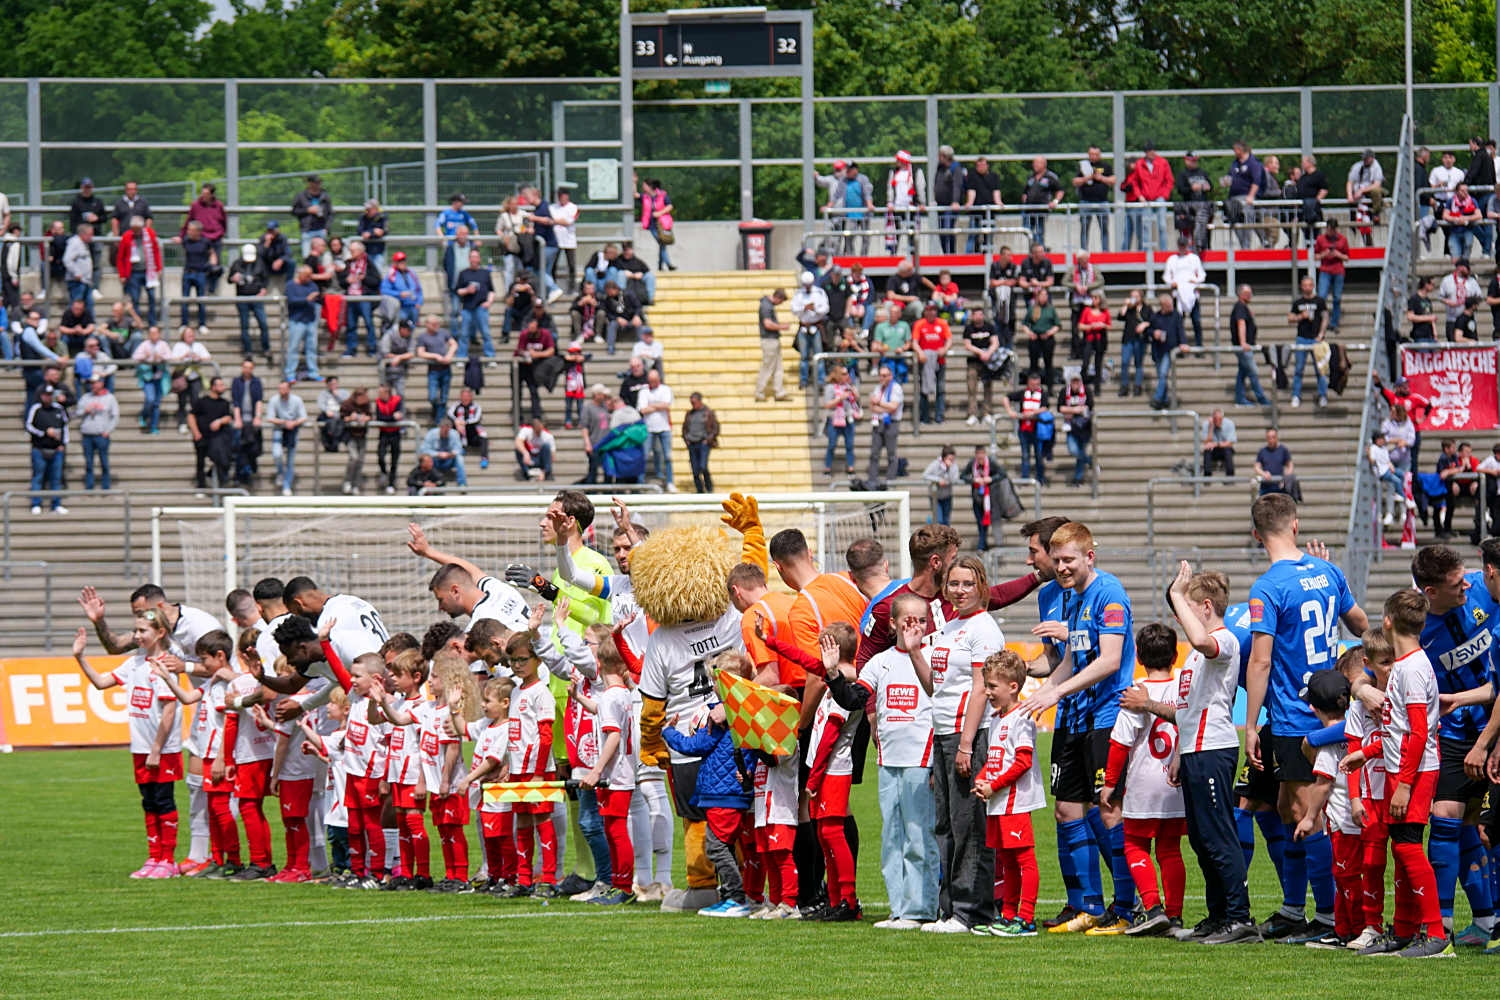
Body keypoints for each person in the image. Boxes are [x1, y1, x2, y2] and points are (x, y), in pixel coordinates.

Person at [1240, 493, 1368, 941]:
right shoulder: (1328, 572)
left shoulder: (1268, 588)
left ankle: (1330, 917)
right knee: (1283, 807)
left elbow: (1260, 661)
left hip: (1296, 716)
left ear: (1257, 535)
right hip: (1327, 705)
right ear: (1295, 526)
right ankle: (1295, 909)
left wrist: (1250, 726)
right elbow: (1361, 624)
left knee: (1303, 812)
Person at [1021, 521, 1138, 933]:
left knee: (1108, 808)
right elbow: (1070, 660)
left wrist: (1056, 691)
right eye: (1057, 561)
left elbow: (1109, 660)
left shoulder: (1109, 593)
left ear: (1090, 555)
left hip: (1106, 717)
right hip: (1074, 716)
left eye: (1068, 560)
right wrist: (1041, 693)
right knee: (1066, 809)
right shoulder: (1071, 597)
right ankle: (1086, 904)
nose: (1062, 568)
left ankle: (1128, 907)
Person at [1129, 564, 1254, 941]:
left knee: (1219, 836)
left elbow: (1202, 642)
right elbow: (1187, 711)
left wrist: (1176, 594)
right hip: (1196, 750)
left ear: (1206, 606)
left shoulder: (1223, 641)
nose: (1180, 616)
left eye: (1187, 607)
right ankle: (1218, 915)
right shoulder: (1196, 656)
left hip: (1214, 749)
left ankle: (1239, 917)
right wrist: (1179, 751)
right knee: (1201, 839)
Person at [1339, 591, 1452, 957]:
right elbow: (1397, 730)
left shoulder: (1412, 669)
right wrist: (1365, 753)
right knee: (1401, 849)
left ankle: (1436, 934)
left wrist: (1404, 785)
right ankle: (1403, 931)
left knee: (1407, 847)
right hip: (1399, 769)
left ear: (1387, 622)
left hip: (1413, 773)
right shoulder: (1405, 665)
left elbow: (1418, 733)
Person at [828, 592, 940, 930]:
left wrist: (936, 762)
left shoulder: (933, 656)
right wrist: (833, 673)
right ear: (892, 624)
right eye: (908, 621)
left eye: (922, 620)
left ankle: (922, 908)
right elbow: (854, 699)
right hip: (888, 760)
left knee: (919, 836)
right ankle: (899, 908)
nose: (916, 627)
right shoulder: (880, 662)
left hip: (921, 758)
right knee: (892, 836)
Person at [908, 556, 1005, 933]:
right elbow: (935, 687)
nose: (960, 591)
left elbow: (981, 689)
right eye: (954, 584)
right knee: (946, 825)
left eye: (968, 583)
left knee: (970, 826)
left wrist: (966, 745)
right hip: (944, 733)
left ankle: (971, 910)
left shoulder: (984, 629)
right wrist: (915, 651)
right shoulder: (950, 627)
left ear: (981, 586)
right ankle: (948, 908)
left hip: (970, 735)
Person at [71, 614, 183, 877]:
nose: (136, 636)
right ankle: (154, 858)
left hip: (162, 749)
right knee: (149, 802)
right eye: (135, 630)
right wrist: (79, 657)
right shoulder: (134, 663)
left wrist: (156, 749)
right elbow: (101, 683)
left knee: (163, 800)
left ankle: (168, 860)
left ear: (160, 633)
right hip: (140, 748)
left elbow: (169, 712)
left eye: (143, 630)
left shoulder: (165, 665)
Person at [1098, 623, 1187, 937]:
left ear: (1137, 656)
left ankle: (1153, 908)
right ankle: (1175, 915)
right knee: (1170, 849)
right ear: (1175, 656)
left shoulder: (1136, 692)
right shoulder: (1182, 686)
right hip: (1176, 784)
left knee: (1134, 844)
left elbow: (1120, 743)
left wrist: (1110, 783)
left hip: (1144, 783)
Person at [25, 383, 69, 515]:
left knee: (56, 478)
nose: (47, 398)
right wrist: (44, 433)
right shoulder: (36, 409)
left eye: (50, 395)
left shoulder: (59, 409)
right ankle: (36, 503)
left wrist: (63, 443)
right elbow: (29, 426)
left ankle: (56, 504)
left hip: (56, 449)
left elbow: (65, 426)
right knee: (38, 477)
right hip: (39, 448)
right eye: (45, 395)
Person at [1002, 370, 1049, 486]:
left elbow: (1045, 407)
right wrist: (1010, 411)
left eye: (1037, 384)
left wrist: (1033, 413)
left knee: (1039, 455)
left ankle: (1040, 477)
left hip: (1038, 429)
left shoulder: (1043, 393)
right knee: (1025, 455)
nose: (1035, 387)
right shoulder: (1023, 393)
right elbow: (1006, 398)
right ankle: (1025, 478)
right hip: (1024, 429)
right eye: (1033, 384)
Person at [188, 376, 235, 490]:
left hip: (217, 437)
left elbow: (228, 417)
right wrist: (196, 432)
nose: (223, 387)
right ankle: (201, 486)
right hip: (202, 436)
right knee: (200, 462)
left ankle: (214, 478)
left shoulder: (224, 403)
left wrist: (219, 421)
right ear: (213, 387)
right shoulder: (202, 401)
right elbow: (191, 416)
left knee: (222, 458)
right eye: (220, 385)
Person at [1229, 285, 1269, 407]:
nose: (1250, 295)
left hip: (1247, 345)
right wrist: (1243, 342)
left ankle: (1240, 399)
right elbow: (1241, 323)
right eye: (1247, 293)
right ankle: (1262, 399)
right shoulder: (1240, 307)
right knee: (1253, 371)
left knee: (1242, 372)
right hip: (1243, 347)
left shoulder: (1243, 307)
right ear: (1241, 294)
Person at [1163, 237, 1206, 347]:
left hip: (1192, 294)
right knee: (1179, 322)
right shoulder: (1172, 259)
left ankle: (1199, 345)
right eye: (1180, 246)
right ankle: (1179, 344)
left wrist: (1195, 281)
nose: (1182, 248)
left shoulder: (1194, 258)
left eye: (1184, 246)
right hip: (1178, 295)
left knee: (1196, 321)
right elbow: (1166, 276)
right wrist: (1171, 283)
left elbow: (1201, 275)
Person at [75, 376, 117, 490]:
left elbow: (115, 416)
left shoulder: (110, 398)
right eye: (91, 383)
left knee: (104, 462)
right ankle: (89, 486)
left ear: (101, 383)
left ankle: (105, 486)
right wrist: (85, 410)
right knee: (88, 463)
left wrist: (108, 431)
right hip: (87, 435)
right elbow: (76, 413)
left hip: (101, 435)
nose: (93, 385)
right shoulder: (85, 397)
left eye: (95, 383)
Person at [1147, 290, 1185, 411]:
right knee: (1161, 376)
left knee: (1163, 373)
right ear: (1162, 306)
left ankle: (1157, 398)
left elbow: (1180, 330)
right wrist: (1154, 333)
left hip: (1169, 350)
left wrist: (1183, 343)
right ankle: (1164, 400)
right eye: (1168, 306)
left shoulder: (1176, 315)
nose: (1171, 307)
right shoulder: (1155, 317)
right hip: (1158, 350)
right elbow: (1149, 330)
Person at [637, 369, 675, 491]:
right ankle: (641, 481)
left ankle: (670, 481)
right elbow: (642, 410)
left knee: (667, 456)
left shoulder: (665, 389)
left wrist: (651, 406)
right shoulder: (644, 391)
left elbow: (666, 405)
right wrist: (658, 406)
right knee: (644, 455)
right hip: (649, 428)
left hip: (664, 427)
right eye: (651, 381)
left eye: (654, 380)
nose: (652, 383)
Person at [415, 315, 457, 426]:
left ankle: (439, 422)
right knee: (432, 397)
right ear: (427, 325)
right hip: (433, 370)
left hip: (445, 369)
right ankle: (435, 411)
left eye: (437, 324)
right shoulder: (422, 337)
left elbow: (453, 344)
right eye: (434, 324)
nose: (436, 326)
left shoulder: (444, 333)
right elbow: (420, 352)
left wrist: (449, 355)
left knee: (443, 398)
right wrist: (435, 356)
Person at [267, 380, 306, 496]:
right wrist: (284, 422)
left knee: (290, 460)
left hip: (292, 430)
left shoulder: (297, 400)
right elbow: (270, 417)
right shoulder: (274, 400)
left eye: (284, 388)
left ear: (289, 389)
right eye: (280, 388)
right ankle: (280, 472)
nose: (282, 391)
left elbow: (303, 417)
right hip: (279, 429)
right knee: (277, 454)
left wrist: (294, 423)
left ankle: (287, 485)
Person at [283, 265, 321, 383]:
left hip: (311, 320)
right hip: (296, 321)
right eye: (307, 275)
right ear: (300, 274)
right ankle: (290, 373)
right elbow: (292, 300)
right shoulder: (290, 285)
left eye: (310, 275)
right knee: (293, 348)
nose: (310, 278)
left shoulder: (312, 285)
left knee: (312, 348)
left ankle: (313, 372)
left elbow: (316, 296)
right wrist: (306, 299)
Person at [867, 364, 903, 484]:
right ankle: (872, 480)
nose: (882, 378)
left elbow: (893, 407)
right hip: (878, 422)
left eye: (884, 375)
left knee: (891, 454)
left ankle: (890, 480)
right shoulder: (878, 388)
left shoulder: (896, 388)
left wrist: (879, 403)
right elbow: (872, 407)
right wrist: (883, 407)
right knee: (874, 453)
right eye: (880, 375)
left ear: (890, 376)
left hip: (891, 423)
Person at [514, 319, 556, 422]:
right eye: (529, 329)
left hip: (533, 367)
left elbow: (551, 351)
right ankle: (518, 416)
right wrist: (526, 354)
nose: (531, 332)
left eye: (533, 329)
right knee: (517, 392)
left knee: (534, 391)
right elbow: (519, 349)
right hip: (521, 366)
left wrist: (536, 354)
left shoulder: (545, 334)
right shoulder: (524, 334)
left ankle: (536, 416)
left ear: (538, 329)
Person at [1314, 218, 1351, 333]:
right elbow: (1315, 256)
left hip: (1338, 271)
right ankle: (1320, 321)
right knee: (1322, 296)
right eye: (1328, 230)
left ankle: (1334, 322)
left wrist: (1337, 254)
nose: (1330, 232)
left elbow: (1347, 257)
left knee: (1337, 298)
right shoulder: (1320, 239)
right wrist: (1324, 254)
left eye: (1332, 230)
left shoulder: (1342, 240)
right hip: (1325, 270)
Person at [1057, 373, 1093, 487]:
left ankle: (1078, 478)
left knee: (1080, 451)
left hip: (1085, 427)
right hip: (1071, 427)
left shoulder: (1087, 390)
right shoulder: (1064, 391)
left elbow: (1089, 407)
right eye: (1073, 381)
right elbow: (1060, 408)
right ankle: (1090, 460)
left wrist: (1070, 410)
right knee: (1073, 450)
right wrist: (1076, 410)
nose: (1075, 384)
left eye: (1077, 381)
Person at [1020, 288, 1059, 389]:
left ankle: (1050, 388)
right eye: (1042, 295)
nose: (1043, 297)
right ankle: (1033, 387)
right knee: (1033, 364)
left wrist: (1049, 333)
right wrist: (1030, 333)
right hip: (1035, 338)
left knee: (1048, 363)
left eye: (1045, 295)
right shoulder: (1033, 309)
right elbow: (1024, 324)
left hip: (1047, 338)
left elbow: (1057, 325)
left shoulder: (1051, 309)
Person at [338, 386, 373, 495]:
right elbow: (341, 418)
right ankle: (347, 481)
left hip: (362, 435)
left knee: (360, 461)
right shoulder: (347, 404)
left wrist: (366, 418)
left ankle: (356, 485)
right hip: (350, 435)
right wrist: (350, 418)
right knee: (354, 458)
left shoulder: (366, 404)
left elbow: (370, 416)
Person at [681, 392, 718, 494]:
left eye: (694, 402)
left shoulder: (708, 413)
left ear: (699, 401)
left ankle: (709, 488)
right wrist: (686, 439)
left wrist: (708, 439)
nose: (692, 405)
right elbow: (684, 428)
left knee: (703, 466)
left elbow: (715, 428)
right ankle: (700, 490)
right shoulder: (689, 414)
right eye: (691, 403)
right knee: (695, 469)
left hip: (703, 443)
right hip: (692, 444)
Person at [1117, 289, 1150, 398]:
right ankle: (1124, 386)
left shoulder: (1147, 308)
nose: (1134, 298)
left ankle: (1137, 385)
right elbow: (1120, 316)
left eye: (1136, 296)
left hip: (1140, 339)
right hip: (1128, 338)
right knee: (1125, 362)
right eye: (1132, 296)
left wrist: (1145, 324)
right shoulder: (1129, 308)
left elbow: (1153, 320)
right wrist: (1125, 305)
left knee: (1138, 363)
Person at [420, 418, 468, 487]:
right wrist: (437, 454)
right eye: (444, 430)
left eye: (448, 430)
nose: (446, 432)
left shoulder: (454, 433)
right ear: (440, 428)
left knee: (459, 458)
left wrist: (452, 454)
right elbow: (424, 449)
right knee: (426, 458)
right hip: (435, 460)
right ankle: (430, 481)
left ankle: (462, 483)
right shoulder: (431, 434)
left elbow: (459, 449)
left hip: (449, 460)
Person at [1253, 427, 1298, 499]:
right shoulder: (1262, 451)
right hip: (1265, 488)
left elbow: (1290, 465)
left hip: (1280, 488)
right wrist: (1263, 473)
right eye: (1269, 437)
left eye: (1273, 437)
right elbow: (1256, 467)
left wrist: (1286, 477)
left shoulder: (1283, 450)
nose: (1271, 440)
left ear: (1277, 437)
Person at [923, 446, 961, 527]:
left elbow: (954, 479)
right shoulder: (935, 464)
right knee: (939, 520)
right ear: (944, 457)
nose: (951, 461)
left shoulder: (953, 466)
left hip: (947, 496)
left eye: (952, 459)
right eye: (949, 459)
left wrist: (950, 468)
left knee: (946, 520)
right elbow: (925, 475)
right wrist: (938, 480)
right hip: (935, 496)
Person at [1202, 408, 1237, 476]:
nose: (1217, 421)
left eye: (1219, 419)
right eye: (1215, 419)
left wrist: (1216, 444)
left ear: (1223, 418)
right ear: (1212, 418)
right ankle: (1207, 476)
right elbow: (1206, 443)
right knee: (1207, 450)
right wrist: (1211, 427)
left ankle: (1230, 476)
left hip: (1224, 449)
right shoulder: (1206, 424)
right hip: (1212, 450)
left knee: (1228, 450)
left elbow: (1230, 443)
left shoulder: (1229, 423)